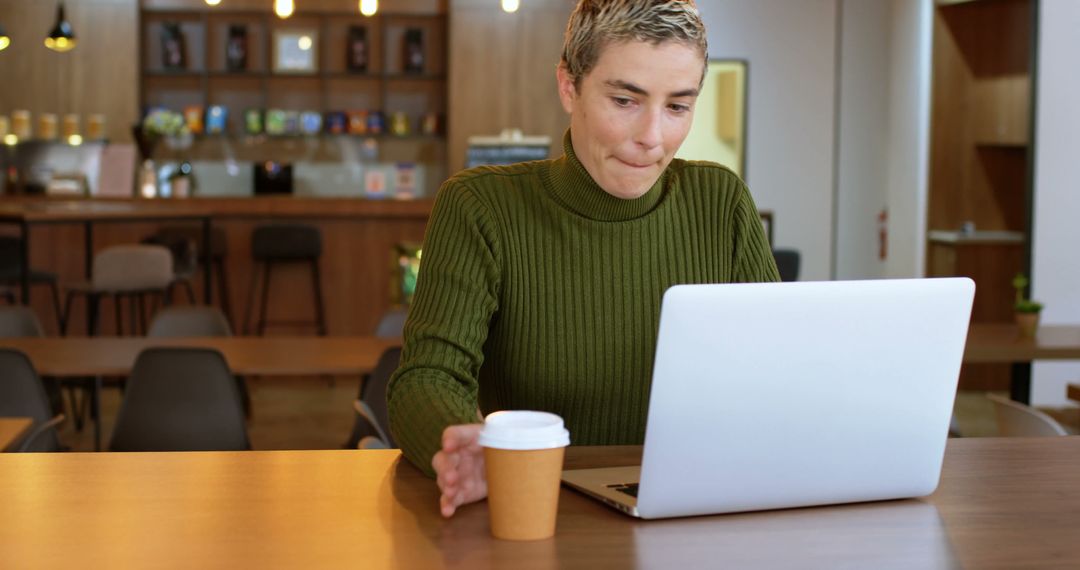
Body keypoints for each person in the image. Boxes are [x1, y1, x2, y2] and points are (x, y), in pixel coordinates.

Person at [387, 0, 779, 518]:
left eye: (678, 106)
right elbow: (426, 377)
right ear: (569, 86)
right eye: (624, 100)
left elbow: (776, 374)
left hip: (693, 512)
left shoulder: (721, 203)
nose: (652, 137)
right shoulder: (481, 206)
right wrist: (465, 443)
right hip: (536, 506)